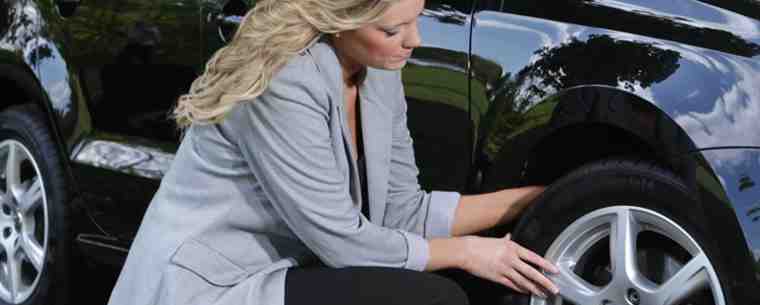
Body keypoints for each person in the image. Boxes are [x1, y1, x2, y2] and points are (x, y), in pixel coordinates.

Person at [106, 0, 560, 304]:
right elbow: (342, 241)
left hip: (292, 269)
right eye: (393, 28)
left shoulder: (378, 73)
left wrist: (539, 197)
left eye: (417, 17)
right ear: (339, 20)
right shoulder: (284, 80)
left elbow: (402, 212)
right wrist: (465, 252)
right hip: (214, 285)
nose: (414, 40)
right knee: (434, 297)